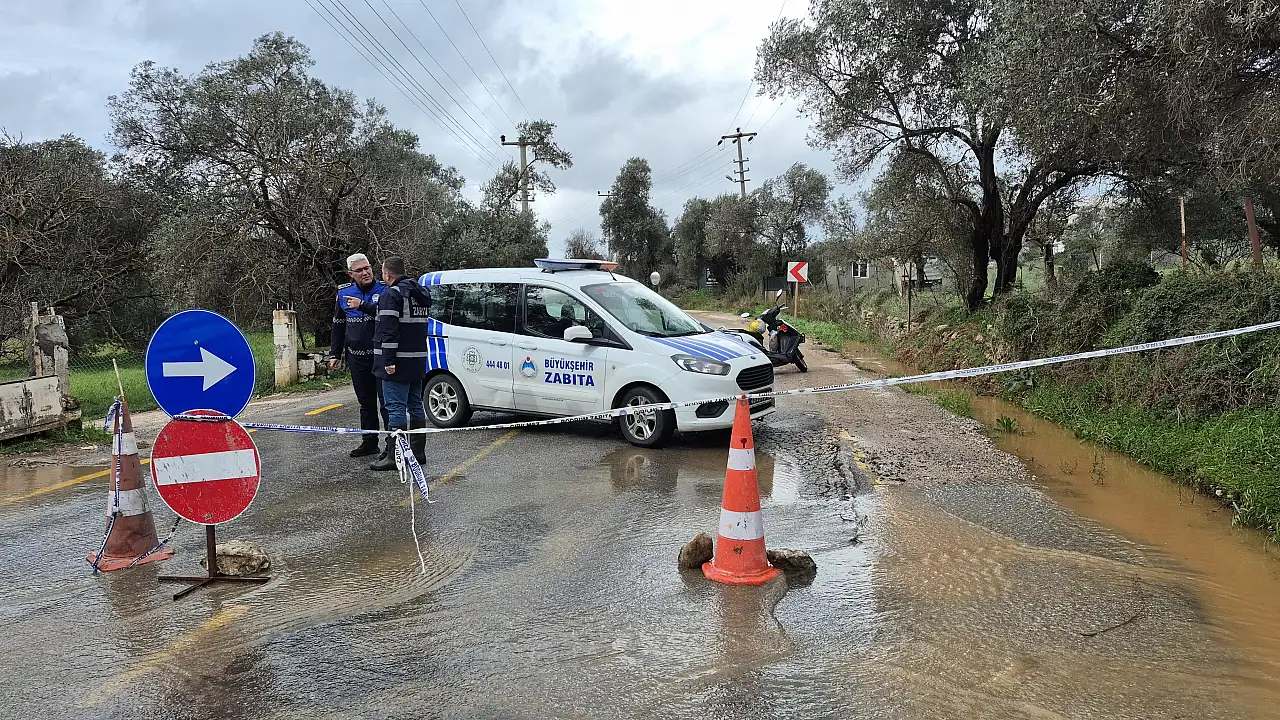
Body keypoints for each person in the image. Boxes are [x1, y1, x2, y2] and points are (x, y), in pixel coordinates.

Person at [370, 256, 432, 471]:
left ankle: (395, 456)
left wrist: (388, 361)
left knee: (395, 407)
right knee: (415, 405)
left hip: (396, 362)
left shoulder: (392, 294)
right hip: (416, 361)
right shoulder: (420, 294)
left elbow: (389, 330)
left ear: (387, 274)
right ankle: (418, 452)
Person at [330, 253, 389, 458]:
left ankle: (392, 445)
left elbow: (389, 318)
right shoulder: (344, 293)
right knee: (366, 403)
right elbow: (338, 325)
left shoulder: (385, 289)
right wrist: (335, 353)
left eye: (367, 268)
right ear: (351, 274)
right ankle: (369, 442)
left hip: (381, 357)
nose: (365, 272)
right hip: (357, 358)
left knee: (387, 403)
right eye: (360, 270)